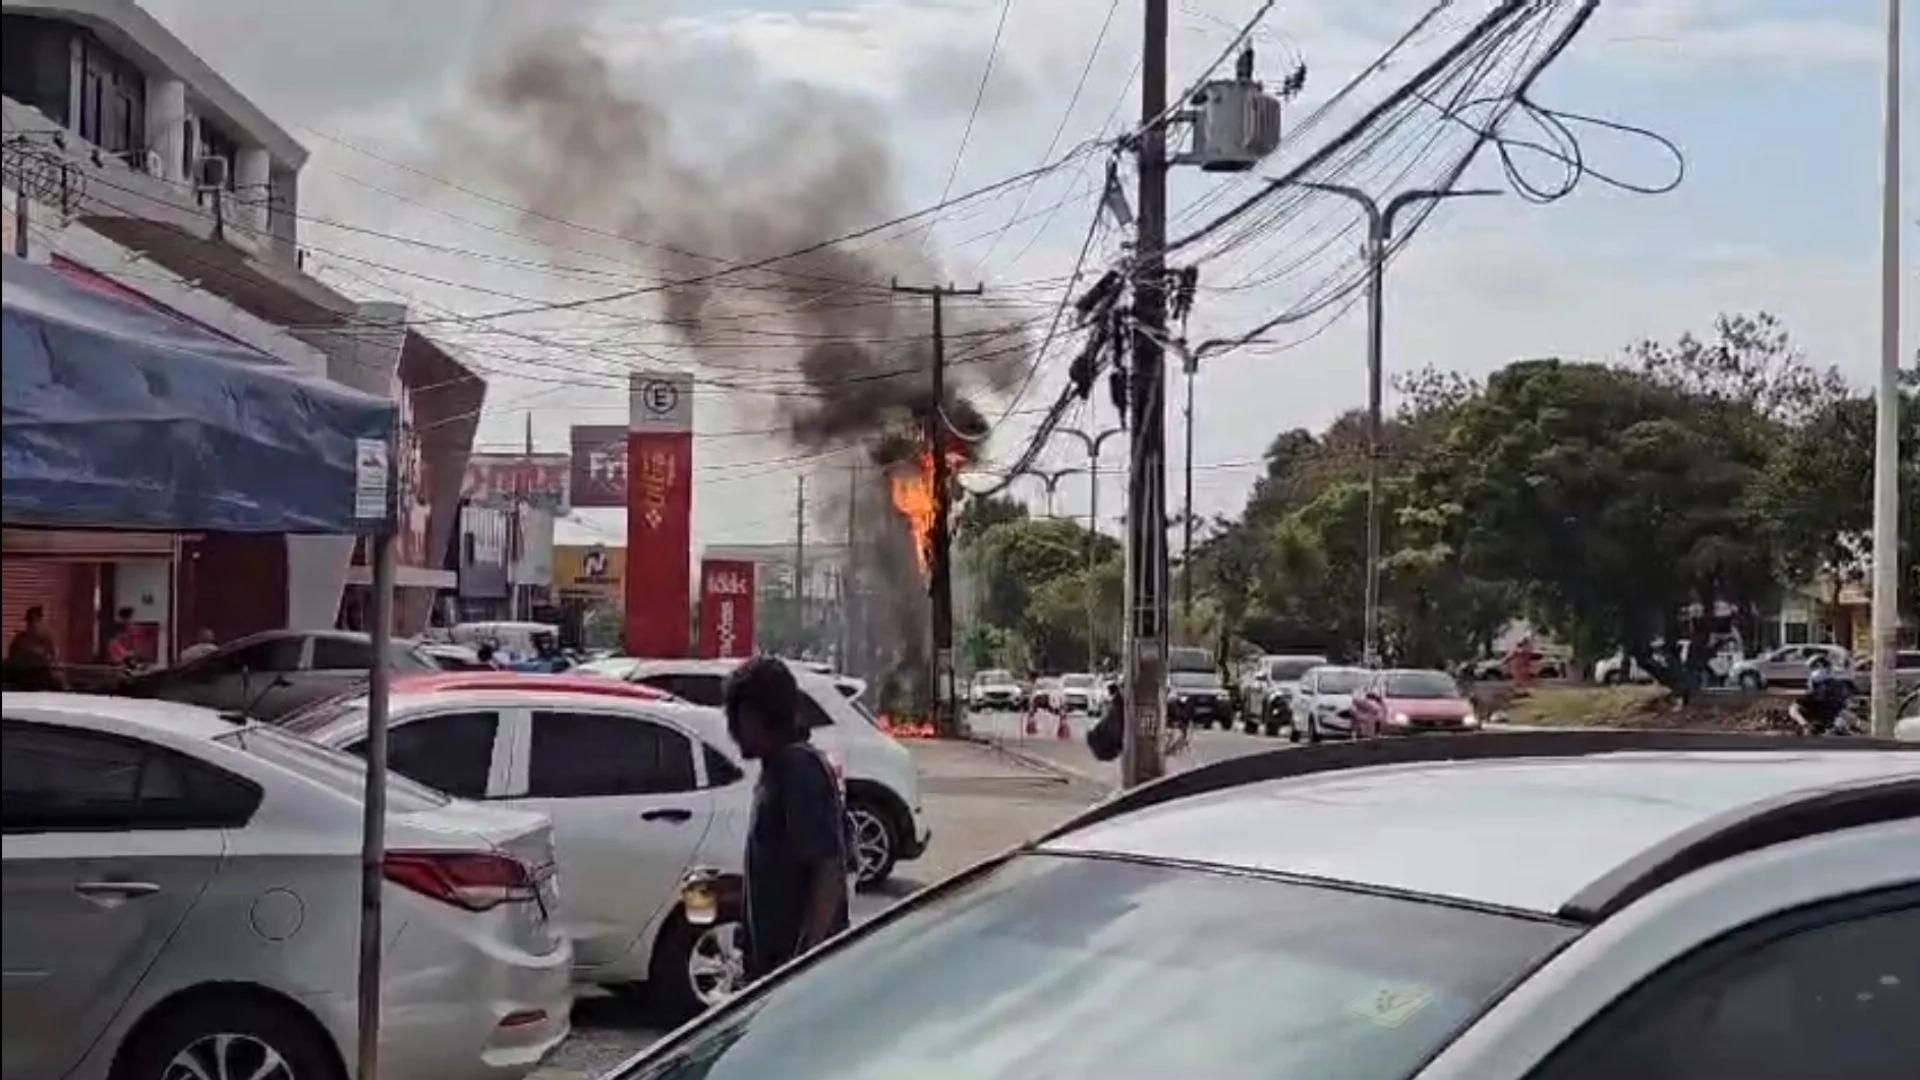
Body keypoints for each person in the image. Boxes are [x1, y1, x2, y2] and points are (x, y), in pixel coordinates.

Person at [723, 656, 851, 981]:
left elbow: (829, 867)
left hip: (796, 980)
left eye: (737, 718)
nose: (733, 732)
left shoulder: (798, 769)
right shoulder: (776, 769)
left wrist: (803, 964)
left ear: (759, 715)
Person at [5, 606, 63, 691]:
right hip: (20, 684)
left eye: (35, 621)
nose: (32, 625)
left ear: (41, 621)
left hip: (42, 685)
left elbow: (53, 661)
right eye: (30, 622)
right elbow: (12, 660)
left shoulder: (47, 640)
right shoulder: (19, 640)